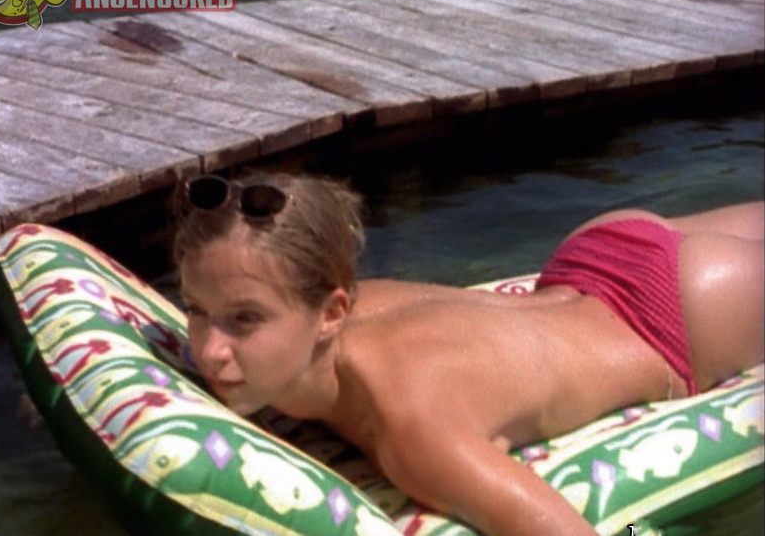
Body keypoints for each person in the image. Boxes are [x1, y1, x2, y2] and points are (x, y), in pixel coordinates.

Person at [173, 170, 764, 536]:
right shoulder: (359, 301)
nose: (210, 350)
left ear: (330, 314)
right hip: (595, 250)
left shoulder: (411, 430)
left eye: (244, 320)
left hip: (677, 319)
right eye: (196, 310)